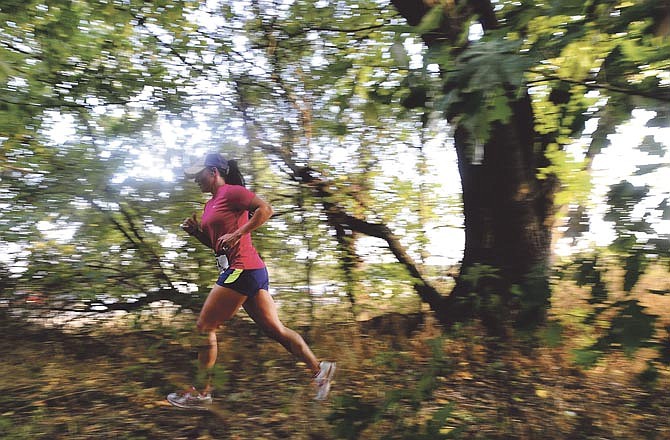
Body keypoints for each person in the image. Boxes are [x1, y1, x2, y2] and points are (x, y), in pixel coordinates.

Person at [167, 152, 335, 410]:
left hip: (242, 270)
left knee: (204, 327)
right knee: (275, 330)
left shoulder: (232, 192)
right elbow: (217, 246)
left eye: (198, 175)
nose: (194, 180)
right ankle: (319, 370)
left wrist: (238, 232)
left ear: (213, 172)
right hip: (249, 270)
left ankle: (201, 392)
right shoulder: (210, 205)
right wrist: (196, 233)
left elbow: (266, 209)